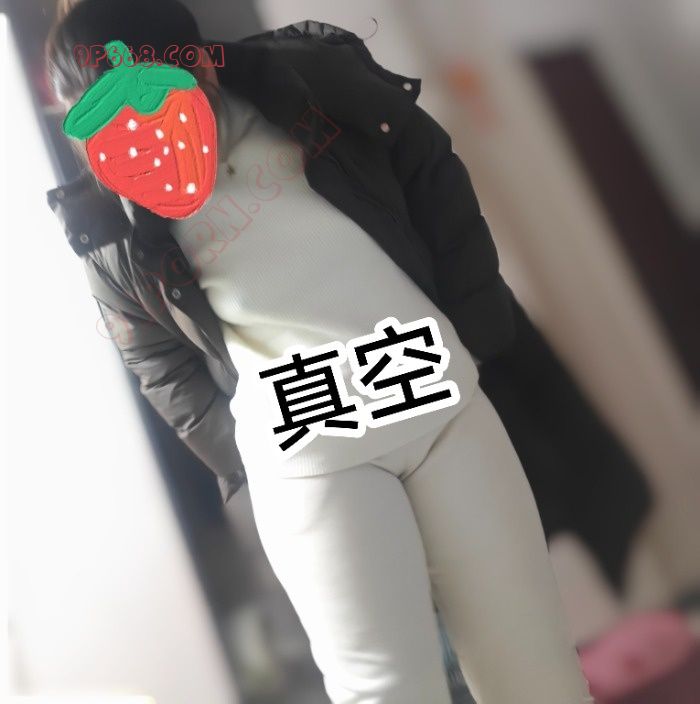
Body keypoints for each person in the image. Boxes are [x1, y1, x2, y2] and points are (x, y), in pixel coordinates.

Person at [45, 1, 595, 701]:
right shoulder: (107, 221)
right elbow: (153, 358)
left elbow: (433, 175)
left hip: (442, 408)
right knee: (385, 690)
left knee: (536, 670)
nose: (134, 127)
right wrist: (246, 454)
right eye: (97, 119)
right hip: (313, 460)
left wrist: (474, 335)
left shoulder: (309, 85)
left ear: (199, 61)